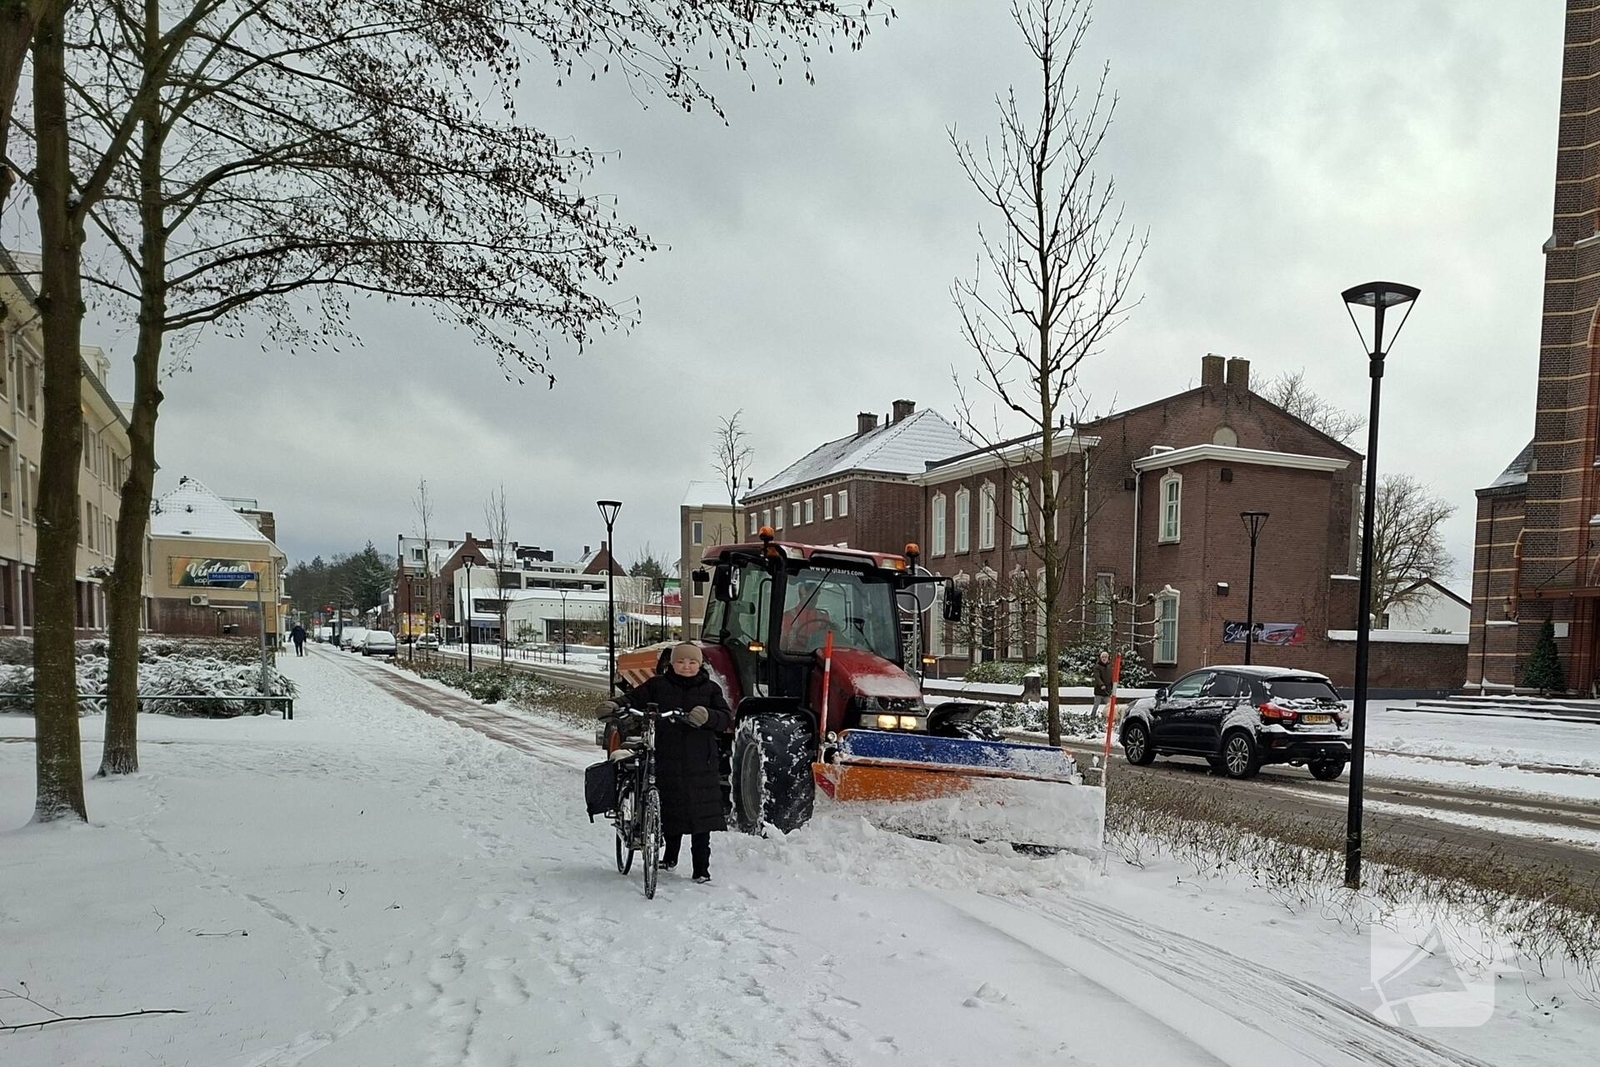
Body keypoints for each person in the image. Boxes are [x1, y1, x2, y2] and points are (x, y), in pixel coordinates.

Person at [604, 643, 732, 883]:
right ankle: (669, 857)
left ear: (699, 665)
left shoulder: (711, 689)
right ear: (672, 664)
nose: (686, 666)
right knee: (669, 809)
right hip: (665, 757)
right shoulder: (657, 686)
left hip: (700, 762)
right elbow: (634, 698)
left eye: (692, 662)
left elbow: (724, 717)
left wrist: (708, 716)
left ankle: (701, 869)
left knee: (700, 817)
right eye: (681, 662)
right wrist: (616, 705)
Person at [1091, 650, 1113, 715]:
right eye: (1103, 657)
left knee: (1109, 705)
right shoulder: (1097, 666)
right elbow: (1097, 677)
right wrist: (1101, 684)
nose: (1104, 658)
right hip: (1099, 690)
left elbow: (1111, 677)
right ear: (1100, 658)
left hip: (1107, 690)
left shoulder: (1109, 666)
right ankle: (1092, 716)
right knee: (1096, 705)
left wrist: (1112, 686)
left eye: (1105, 657)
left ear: (1107, 658)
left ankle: (1110, 717)